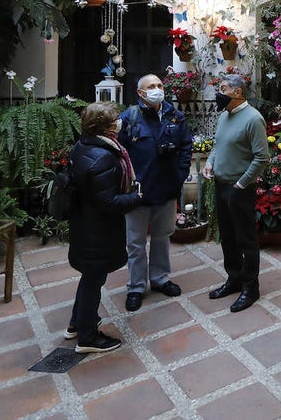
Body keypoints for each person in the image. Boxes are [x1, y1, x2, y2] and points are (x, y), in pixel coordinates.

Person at [66, 102, 143, 353]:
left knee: (89, 276)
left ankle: (77, 323)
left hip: (84, 225)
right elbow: (108, 202)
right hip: (97, 230)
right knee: (93, 279)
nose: (118, 122)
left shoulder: (83, 146)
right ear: (104, 126)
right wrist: (137, 198)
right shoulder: (103, 156)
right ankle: (88, 338)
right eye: (114, 119)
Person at [119, 73, 193, 312]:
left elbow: (185, 146)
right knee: (136, 243)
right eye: (151, 86)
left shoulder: (175, 115)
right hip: (137, 192)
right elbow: (119, 153)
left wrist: (180, 175)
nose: (157, 89)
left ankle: (160, 278)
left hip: (166, 188)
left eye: (160, 85)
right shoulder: (128, 118)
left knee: (162, 237)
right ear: (140, 93)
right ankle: (136, 287)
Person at [205, 74, 270, 312]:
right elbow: (217, 145)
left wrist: (242, 183)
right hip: (221, 185)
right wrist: (210, 163)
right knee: (228, 237)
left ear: (238, 92)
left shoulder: (253, 119)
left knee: (245, 239)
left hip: (239, 189)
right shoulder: (225, 116)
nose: (218, 93)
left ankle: (251, 287)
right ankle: (234, 279)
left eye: (223, 88)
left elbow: (262, 157)